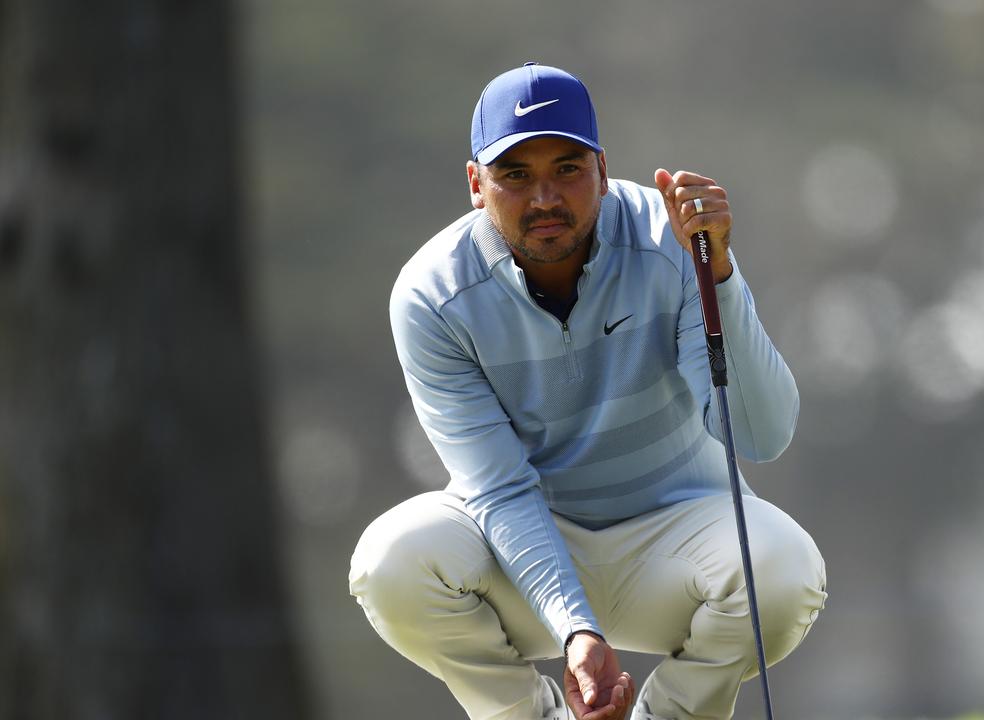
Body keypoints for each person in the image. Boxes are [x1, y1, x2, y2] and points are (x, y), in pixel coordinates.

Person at [349, 62, 827, 720]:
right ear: (475, 184)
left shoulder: (672, 242)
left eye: (567, 169)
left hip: (674, 541)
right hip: (526, 546)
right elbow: (500, 489)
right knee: (392, 562)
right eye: (515, 174)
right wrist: (577, 629)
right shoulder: (433, 295)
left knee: (784, 569)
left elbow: (762, 434)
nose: (544, 197)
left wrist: (718, 275)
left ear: (603, 169)